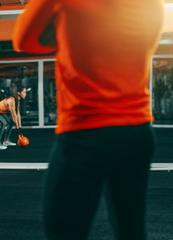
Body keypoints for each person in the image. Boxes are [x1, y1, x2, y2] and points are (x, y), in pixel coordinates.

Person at [13, 0, 164, 239]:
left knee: (63, 233)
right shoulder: (151, 5)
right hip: (137, 133)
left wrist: (65, 33)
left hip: (84, 134)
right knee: (131, 231)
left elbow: (23, 41)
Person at [0, 84, 27, 150]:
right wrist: (17, 129)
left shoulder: (17, 100)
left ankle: (6, 141)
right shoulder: (11, 101)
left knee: (10, 122)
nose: (26, 94)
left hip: (1, 112)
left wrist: (20, 127)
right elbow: (14, 115)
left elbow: (18, 114)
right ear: (19, 93)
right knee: (3, 123)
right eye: (24, 92)